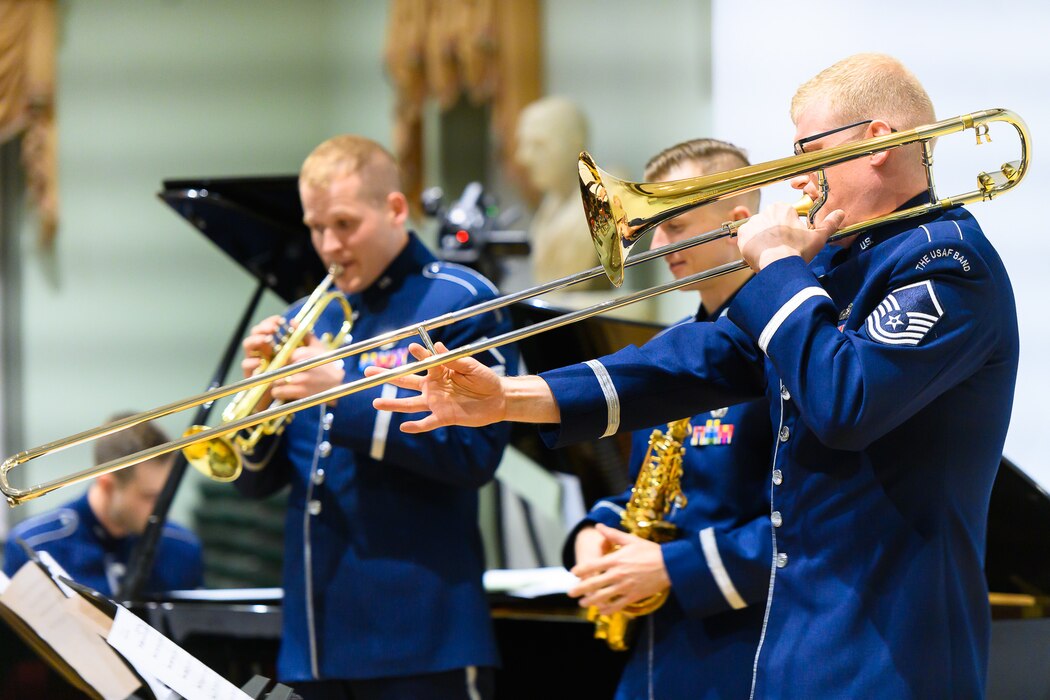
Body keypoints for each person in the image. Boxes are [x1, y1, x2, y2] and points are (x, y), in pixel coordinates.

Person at [371, 53, 1018, 698]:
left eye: (808, 152)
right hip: (796, 648)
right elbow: (694, 361)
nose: (798, 180)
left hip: (894, 651)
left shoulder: (947, 266)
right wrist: (508, 397)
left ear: (879, 143)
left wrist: (778, 267)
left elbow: (846, 402)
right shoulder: (837, 269)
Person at [233, 134, 519, 700]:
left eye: (344, 224)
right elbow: (254, 483)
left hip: (421, 642)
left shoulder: (460, 301)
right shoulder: (303, 320)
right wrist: (260, 400)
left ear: (394, 209)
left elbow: (473, 456)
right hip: (313, 645)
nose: (328, 245)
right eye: (316, 228)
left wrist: (341, 391)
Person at [565, 138, 774, 699]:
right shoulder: (670, 346)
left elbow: (807, 527)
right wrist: (595, 533)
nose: (658, 244)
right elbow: (645, 491)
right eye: (654, 226)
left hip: (745, 655)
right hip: (658, 657)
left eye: (675, 225)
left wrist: (673, 568)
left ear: (737, 220)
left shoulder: (788, 344)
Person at [2, 413, 204, 597]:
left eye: (166, 494)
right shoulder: (34, 546)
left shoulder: (183, 548)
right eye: (148, 496)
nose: (163, 508)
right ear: (107, 484)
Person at [514, 96, 600, 286]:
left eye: (538, 144)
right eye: (523, 144)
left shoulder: (597, 209)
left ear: (575, 144)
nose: (523, 157)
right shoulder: (551, 205)